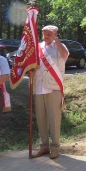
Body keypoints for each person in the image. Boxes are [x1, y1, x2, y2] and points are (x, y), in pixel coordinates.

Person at [30, 25, 69, 160]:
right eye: (44, 34)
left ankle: (55, 147)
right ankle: (44, 146)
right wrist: (30, 72)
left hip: (53, 88)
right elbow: (31, 64)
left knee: (54, 119)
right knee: (41, 119)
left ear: (55, 35)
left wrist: (57, 41)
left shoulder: (60, 46)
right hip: (39, 87)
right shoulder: (38, 47)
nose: (46, 36)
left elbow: (65, 56)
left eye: (49, 34)